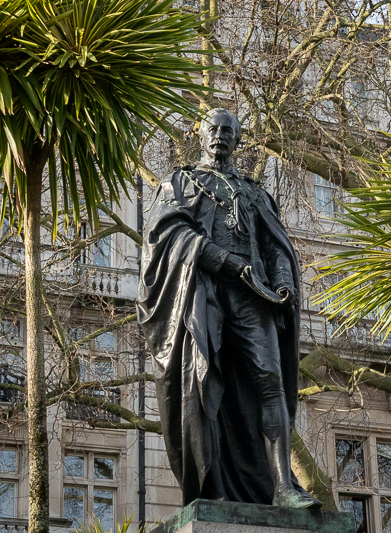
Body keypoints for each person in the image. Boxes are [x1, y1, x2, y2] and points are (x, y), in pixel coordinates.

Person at [136, 108, 320, 509]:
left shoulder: (255, 191)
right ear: (201, 136)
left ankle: (283, 487)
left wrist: (285, 281)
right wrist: (223, 259)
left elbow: (275, 246)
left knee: (270, 381)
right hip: (204, 297)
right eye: (213, 129)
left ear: (238, 140)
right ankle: (212, 485)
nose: (220, 136)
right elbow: (167, 234)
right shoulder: (180, 183)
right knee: (201, 386)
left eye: (228, 131)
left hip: (255, 298)